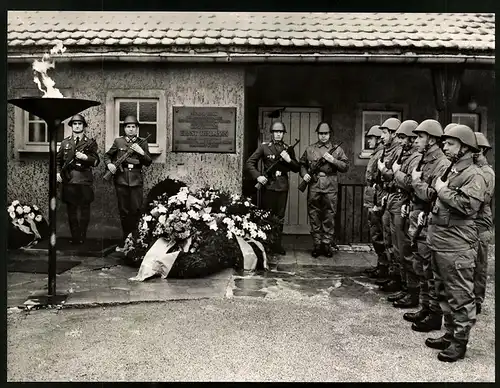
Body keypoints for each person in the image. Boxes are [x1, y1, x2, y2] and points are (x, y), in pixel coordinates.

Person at [424, 124, 486, 362]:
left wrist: (441, 190)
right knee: (443, 291)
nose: (445, 146)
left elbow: (468, 206)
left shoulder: (474, 174)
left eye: (450, 143)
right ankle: (450, 333)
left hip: (457, 244)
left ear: (465, 147)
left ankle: (459, 342)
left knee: (459, 294)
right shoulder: (453, 170)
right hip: (441, 241)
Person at [403, 120, 451, 332]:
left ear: (431, 139)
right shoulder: (423, 159)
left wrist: (415, 182)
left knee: (430, 269)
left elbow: (434, 194)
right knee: (421, 266)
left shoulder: (441, 163)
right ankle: (425, 307)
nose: (416, 140)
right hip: (418, 217)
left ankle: (434, 314)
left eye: (420, 137)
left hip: (429, 219)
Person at [245, 121, 300, 254]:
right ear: (272, 133)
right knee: (267, 215)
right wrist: (258, 176)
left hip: (282, 186)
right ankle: (267, 244)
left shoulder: (288, 148)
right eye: (276, 132)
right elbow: (250, 162)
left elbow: (297, 168)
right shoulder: (264, 147)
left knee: (280, 217)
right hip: (268, 186)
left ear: (283, 134)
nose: (278, 134)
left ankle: (277, 244)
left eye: (280, 132)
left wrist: (288, 160)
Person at [384, 120, 421, 307]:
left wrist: (396, 174)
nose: (400, 140)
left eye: (402, 137)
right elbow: (390, 174)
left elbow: (408, 182)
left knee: (405, 249)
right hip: (398, 200)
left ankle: (411, 291)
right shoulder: (405, 155)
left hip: (405, 203)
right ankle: (403, 285)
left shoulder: (416, 158)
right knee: (398, 248)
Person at [299, 121, 349, 258]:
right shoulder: (310, 149)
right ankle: (317, 244)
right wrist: (305, 174)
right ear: (318, 134)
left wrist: (333, 160)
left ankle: (326, 245)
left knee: (329, 215)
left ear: (329, 134)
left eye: (325, 133)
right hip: (314, 186)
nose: (323, 136)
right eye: (321, 133)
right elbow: (302, 164)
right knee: (314, 215)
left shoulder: (337, 150)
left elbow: (345, 167)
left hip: (330, 186)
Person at [104, 115, 152, 247]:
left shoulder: (143, 142)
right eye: (128, 127)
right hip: (121, 179)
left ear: (137, 129)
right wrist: (110, 165)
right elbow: (107, 155)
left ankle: (135, 239)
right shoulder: (119, 142)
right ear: (124, 129)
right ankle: (126, 239)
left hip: (136, 179)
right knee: (123, 210)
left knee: (136, 210)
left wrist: (141, 153)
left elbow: (148, 162)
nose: (131, 129)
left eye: (133, 127)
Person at [56, 114, 99, 244]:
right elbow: (58, 160)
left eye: (80, 124)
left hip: (84, 179)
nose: (77, 126)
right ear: (71, 126)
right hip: (69, 179)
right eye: (75, 124)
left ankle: (82, 237)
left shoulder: (90, 142)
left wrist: (85, 158)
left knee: (85, 209)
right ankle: (75, 238)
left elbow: (96, 161)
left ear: (84, 126)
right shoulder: (65, 142)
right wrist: (58, 173)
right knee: (71, 210)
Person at [375, 117, 403, 292]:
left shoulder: (398, 151)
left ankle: (398, 278)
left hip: (396, 196)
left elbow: (393, 175)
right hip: (388, 196)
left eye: (385, 133)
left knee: (396, 241)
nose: (382, 136)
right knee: (388, 238)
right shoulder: (387, 150)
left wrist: (383, 170)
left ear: (393, 133)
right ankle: (392, 274)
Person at [472, 132, 495, 315]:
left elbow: (481, 200)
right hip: (474, 223)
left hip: (480, 224)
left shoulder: (486, 172)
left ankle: (477, 300)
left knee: (479, 264)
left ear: (480, 150)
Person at [363, 125, 387, 277]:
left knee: (379, 234)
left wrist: (377, 203)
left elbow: (379, 179)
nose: (368, 142)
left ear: (378, 140)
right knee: (375, 233)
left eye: (371, 138)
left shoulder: (381, 155)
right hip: (372, 198)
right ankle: (381, 264)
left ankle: (384, 267)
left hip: (376, 198)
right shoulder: (376, 154)